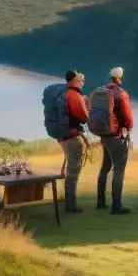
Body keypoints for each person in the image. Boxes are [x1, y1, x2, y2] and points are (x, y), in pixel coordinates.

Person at [95, 66, 134, 214]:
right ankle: (116, 206)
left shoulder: (101, 91)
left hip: (104, 135)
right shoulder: (120, 94)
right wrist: (129, 128)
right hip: (116, 136)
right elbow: (128, 117)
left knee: (105, 167)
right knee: (119, 170)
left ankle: (100, 201)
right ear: (119, 78)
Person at [59, 70, 89, 213]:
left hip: (62, 137)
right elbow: (84, 118)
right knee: (73, 171)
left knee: (70, 169)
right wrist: (86, 104)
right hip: (72, 137)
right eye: (82, 81)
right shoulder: (74, 95)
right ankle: (70, 206)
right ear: (76, 81)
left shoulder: (62, 93)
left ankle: (68, 202)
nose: (83, 83)